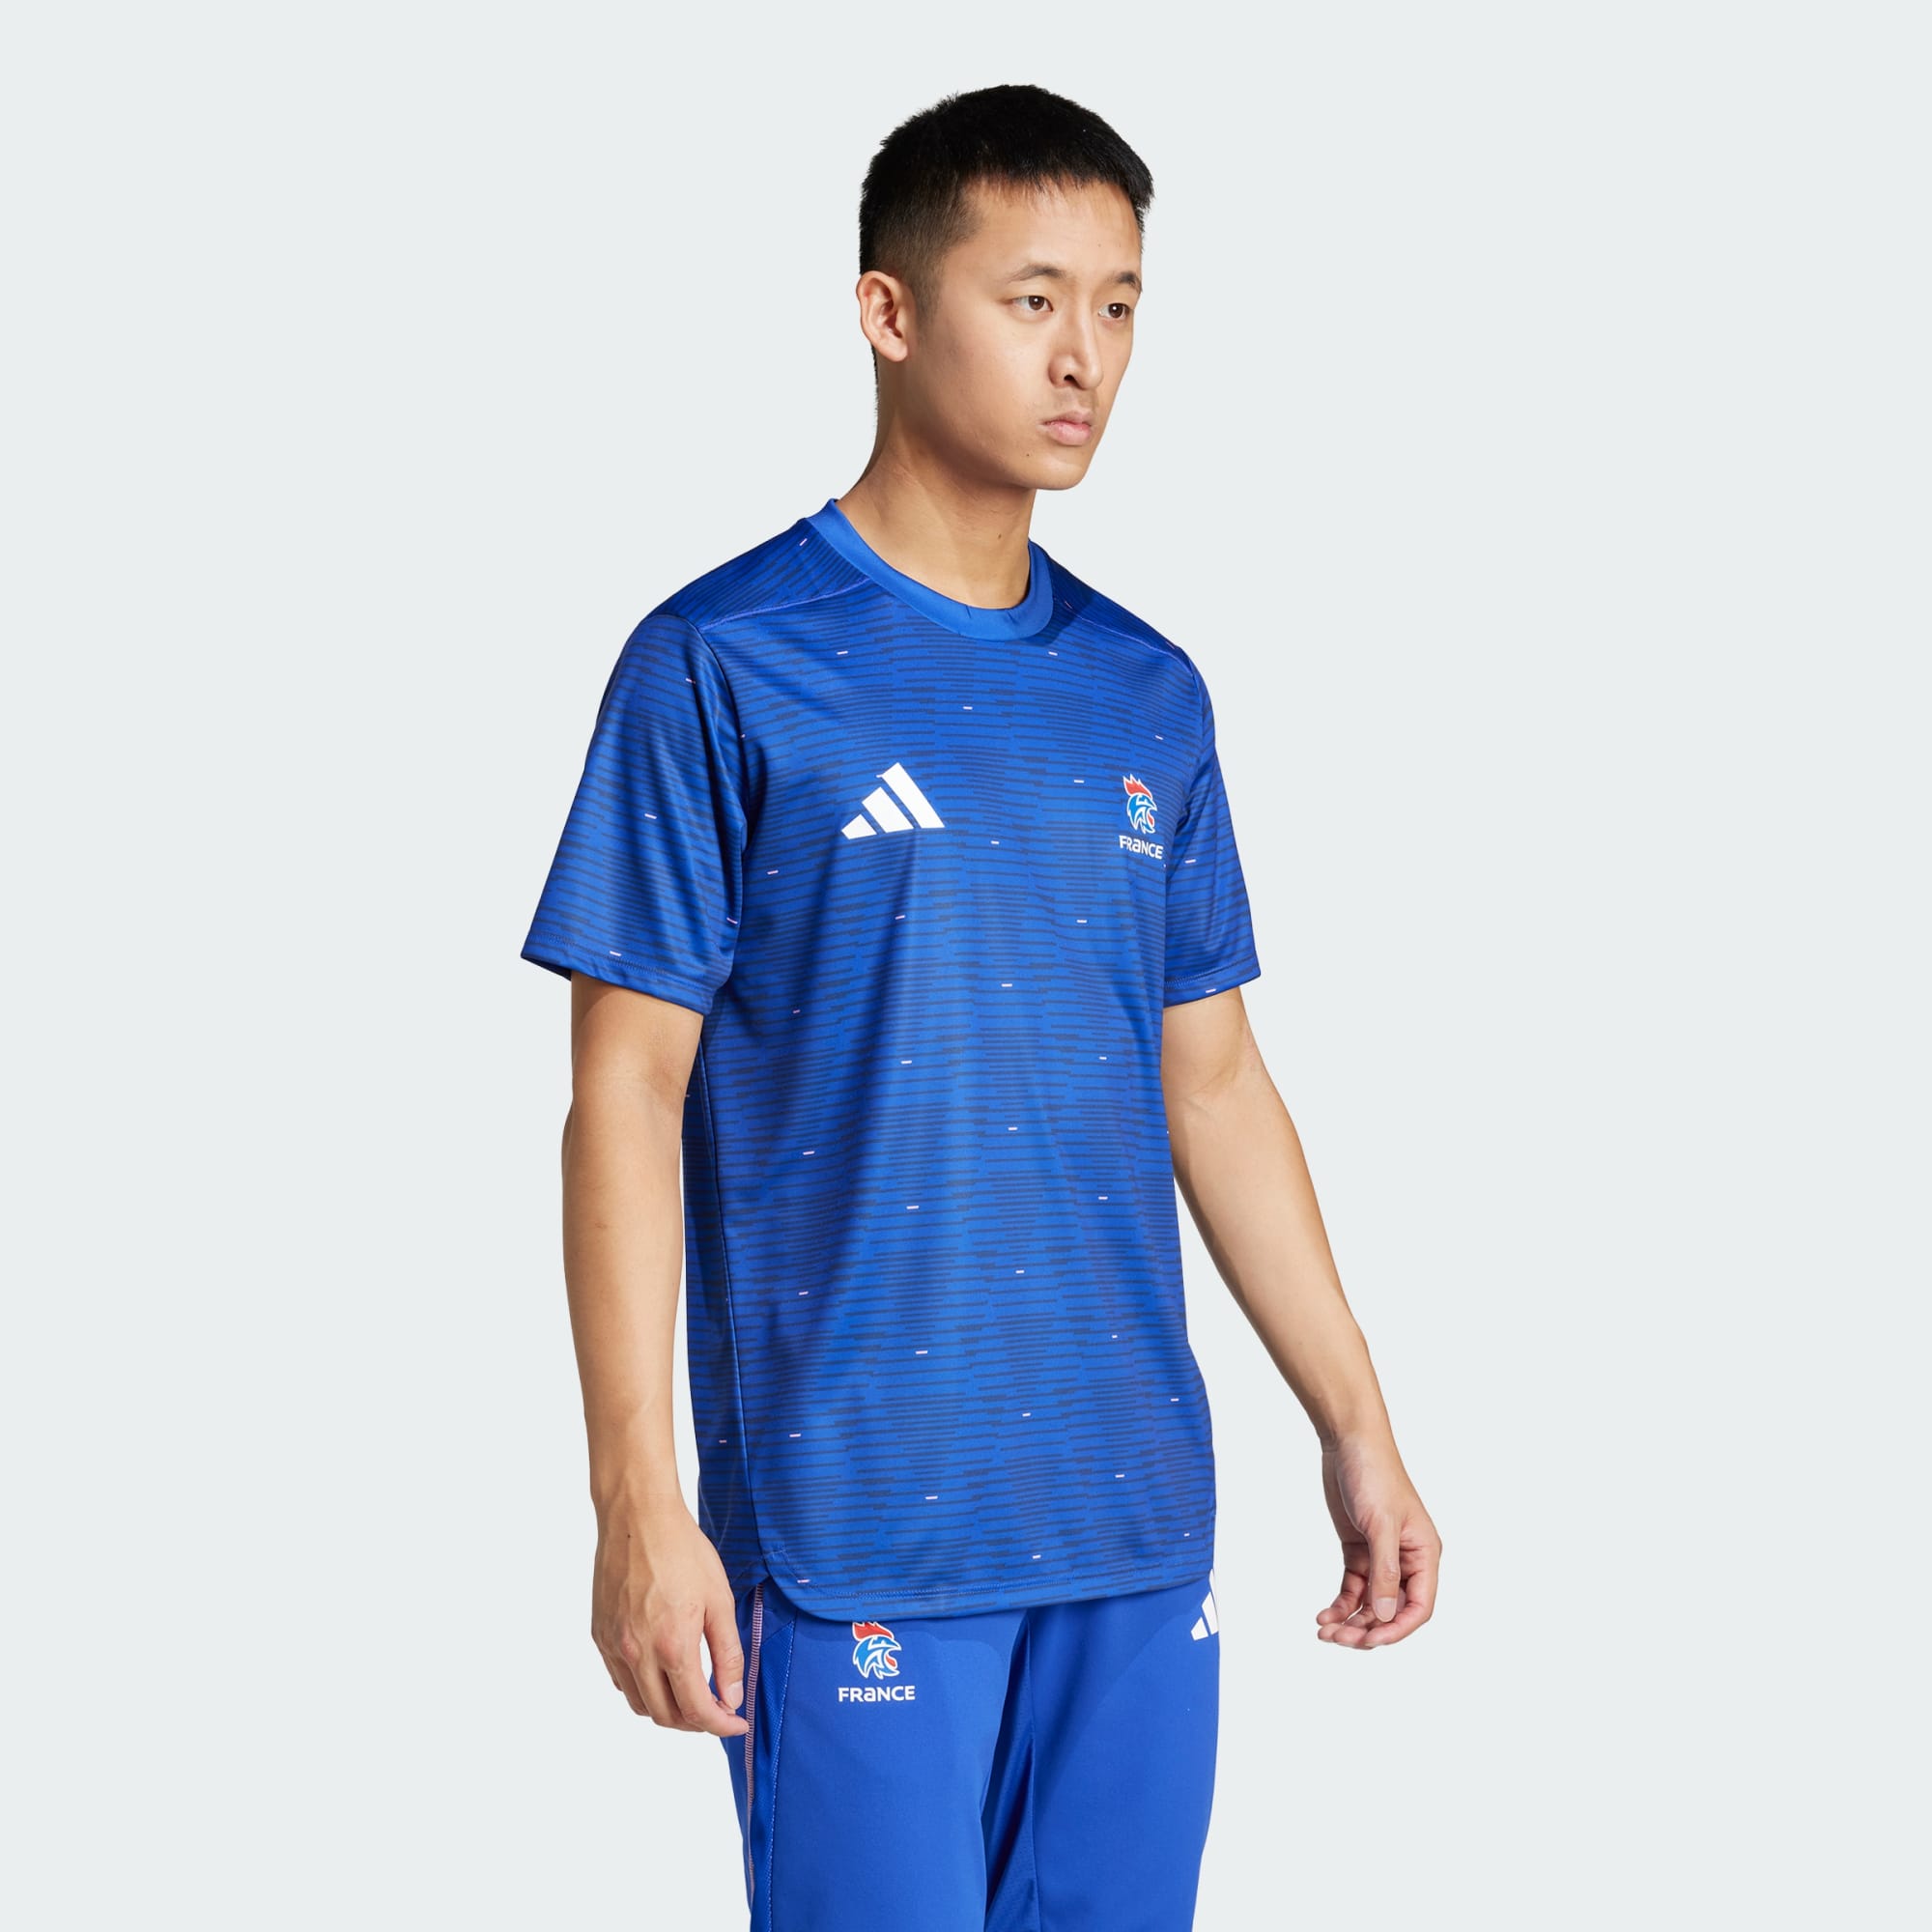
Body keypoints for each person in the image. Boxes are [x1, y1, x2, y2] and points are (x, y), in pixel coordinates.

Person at [520, 80, 1440, 1932]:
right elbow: (623, 1093)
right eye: (1031, 300)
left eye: (1119, 305)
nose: (1084, 356)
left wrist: (1357, 1418)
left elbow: (1214, 1084)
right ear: (889, 311)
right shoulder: (722, 663)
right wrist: (636, 1499)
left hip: (1133, 1521)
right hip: (855, 1525)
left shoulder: (1146, 691)